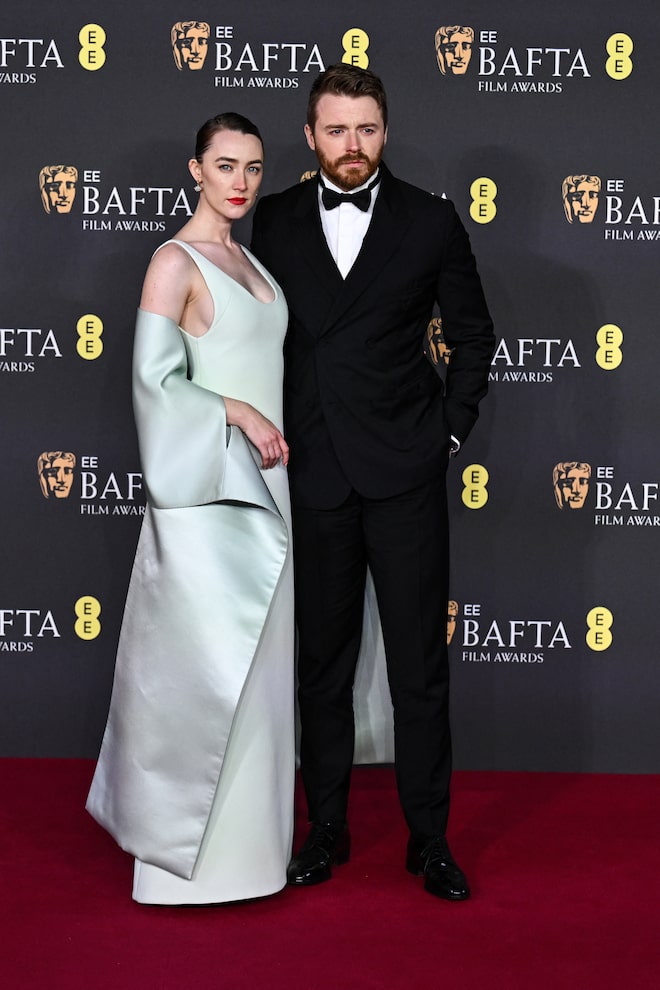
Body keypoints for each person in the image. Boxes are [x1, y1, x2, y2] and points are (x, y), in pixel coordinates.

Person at [251, 63, 495, 901]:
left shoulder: (430, 220)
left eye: (365, 128)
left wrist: (447, 434)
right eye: (335, 129)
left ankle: (430, 839)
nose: (351, 145)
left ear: (385, 131)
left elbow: (474, 334)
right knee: (322, 667)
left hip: (405, 474)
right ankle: (325, 829)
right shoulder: (273, 219)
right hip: (315, 471)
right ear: (310, 135)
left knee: (419, 668)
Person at [86, 112, 295, 905]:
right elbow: (153, 383)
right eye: (225, 165)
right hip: (211, 492)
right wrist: (236, 410)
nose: (240, 182)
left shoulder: (252, 263)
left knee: (261, 676)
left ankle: (255, 859)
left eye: (253, 167)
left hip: (271, 488)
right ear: (196, 170)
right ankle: (183, 872)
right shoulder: (173, 262)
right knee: (204, 670)